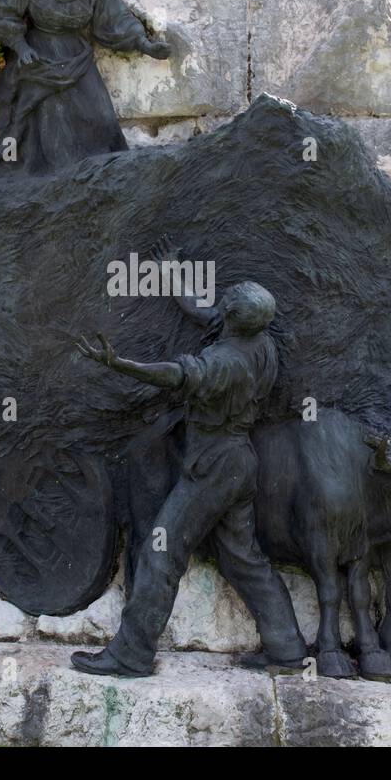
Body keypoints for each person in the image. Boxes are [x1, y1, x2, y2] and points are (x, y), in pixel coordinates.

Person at [70, 270, 308, 677]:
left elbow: (175, 375)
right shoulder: (262, 342)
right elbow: (208, 313)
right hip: (241, 462)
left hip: (213, 467)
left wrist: (119, 364)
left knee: (162, 553)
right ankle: (286, 648)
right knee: (243, 558)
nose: (221, 302)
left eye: (227, 300)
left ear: (233, 315)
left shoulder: (223, 362)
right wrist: (170, 275)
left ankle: (131, 654)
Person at [0, 0, 170, 179]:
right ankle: (58, 182)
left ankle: (102, 177)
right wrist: (21, 46)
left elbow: (117, 19)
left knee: (102, 116)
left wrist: (145, 45)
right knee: (53, 121)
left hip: (76, 56)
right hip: (40, 56)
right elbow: (2, 14)